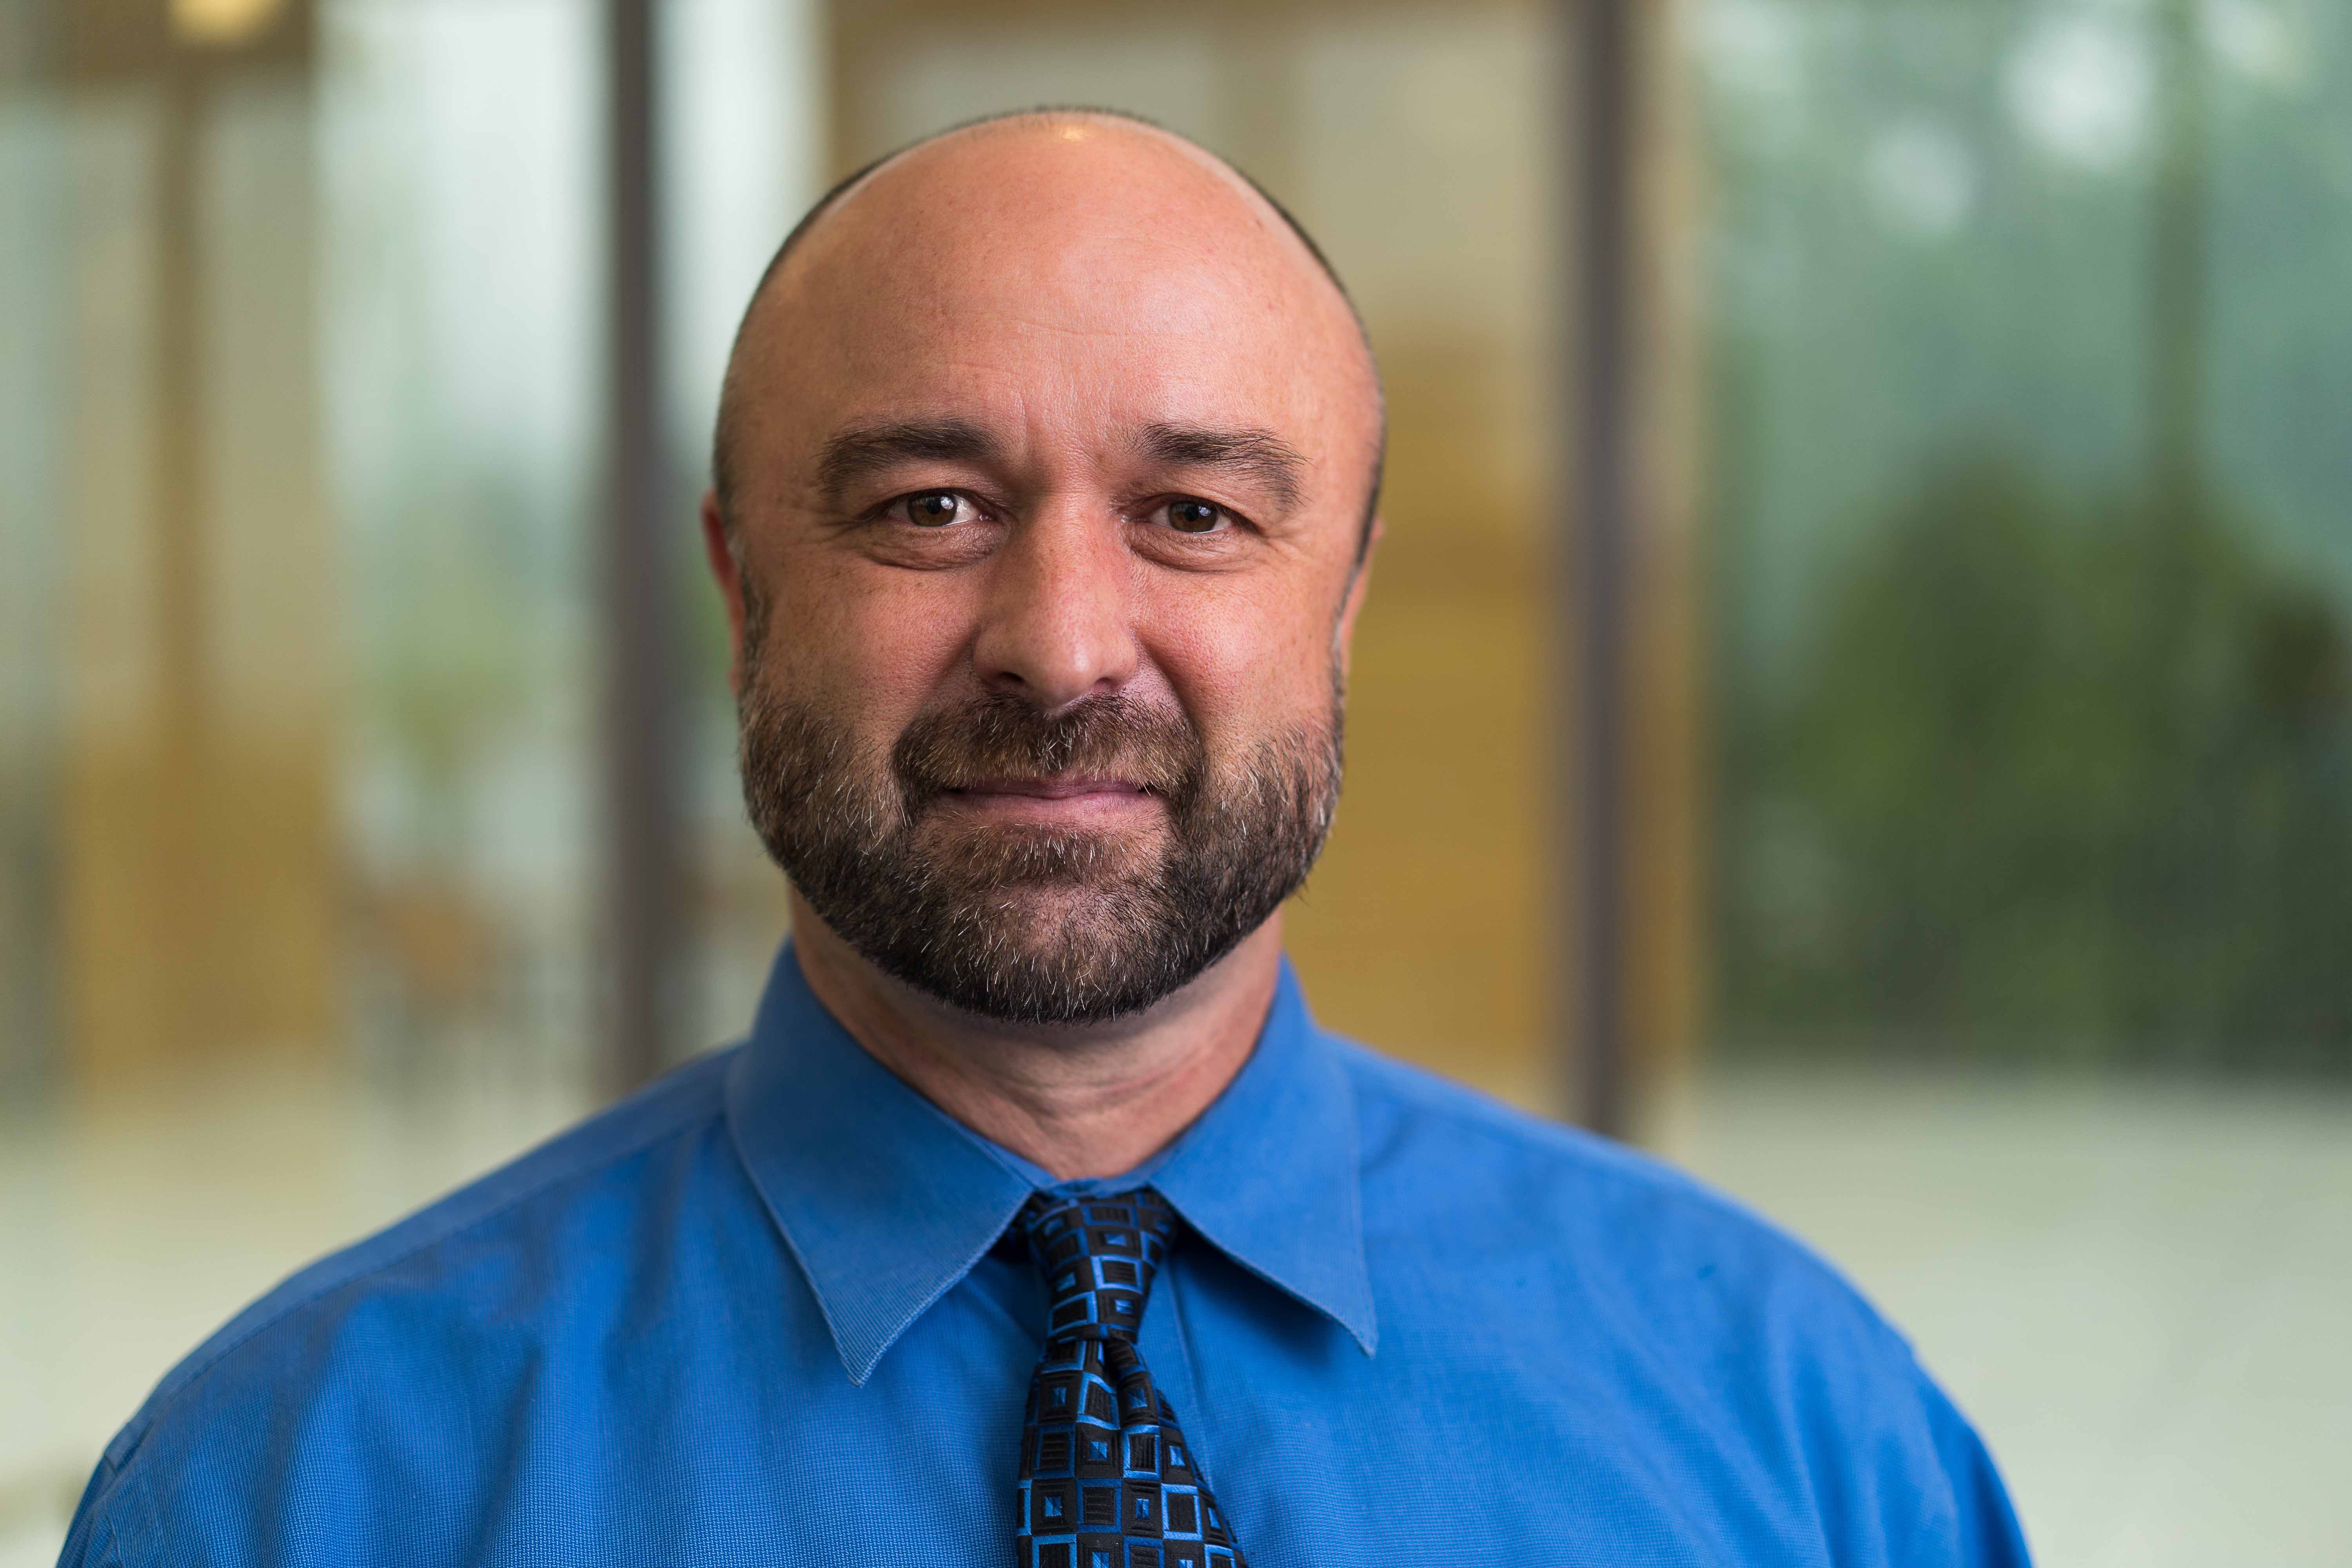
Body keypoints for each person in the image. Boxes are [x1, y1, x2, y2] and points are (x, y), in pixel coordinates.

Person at [60, 110, 2029, 1567]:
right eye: (929, 506)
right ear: (745, 593)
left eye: (1194, 514)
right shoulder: (296, 1491)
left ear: (1337, 607)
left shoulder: (1803, 1436)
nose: (1067, 646)